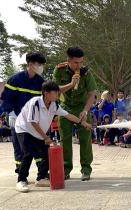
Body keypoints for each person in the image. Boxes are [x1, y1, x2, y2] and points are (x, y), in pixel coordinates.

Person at [14, 81, 92, 192]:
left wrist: (83, 123)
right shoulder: (35, 103)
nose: (57, 95)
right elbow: (33, 122)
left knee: (47, 153)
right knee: (28, 153)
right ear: (46, 93)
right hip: (24, 129)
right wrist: (45, 137)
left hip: (37, 132)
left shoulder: (54, 105)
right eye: (55, 93)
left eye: (57, 93)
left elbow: (67, 115)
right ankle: (21, 180)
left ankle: (41, 178)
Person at [52, 46, 97, 181]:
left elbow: (91, 95)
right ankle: (65, 169)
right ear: (68, 61)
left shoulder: (87, 73)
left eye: (81, 62)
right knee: (65, 140)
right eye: (76, 63)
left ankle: (86, 169)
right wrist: (71, 84)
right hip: (64, 108)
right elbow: (56, 90)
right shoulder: (59, 69)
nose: (79, 66)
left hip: (82, 108)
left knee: (84, 139)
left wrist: (85, 111)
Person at [1, 52, 47, 176]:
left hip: (35, 121)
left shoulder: (41, 81)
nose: (41, 66)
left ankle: (42, 173)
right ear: (31, 64)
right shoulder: (15, 79)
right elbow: (5, 98)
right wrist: (10, 112)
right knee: (21, 148)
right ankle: (22, 175)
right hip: (18, 120)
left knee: (39, 147)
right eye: (39, 64)